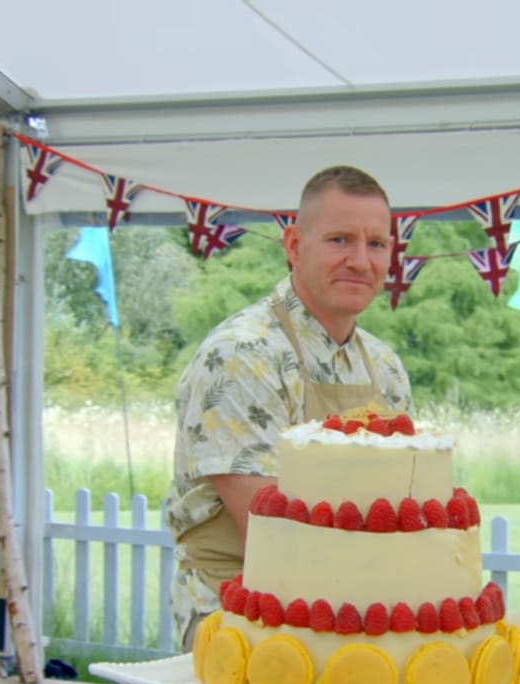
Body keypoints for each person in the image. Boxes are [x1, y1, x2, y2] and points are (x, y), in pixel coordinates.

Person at [166, 165, 412, 651]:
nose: (360, 261)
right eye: (340, 240)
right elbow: (271, 534)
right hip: (240, 616)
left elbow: (402, 507)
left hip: (355, 609)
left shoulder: (384, 365)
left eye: (376, 244)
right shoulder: (242, 354)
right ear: (295, 246)